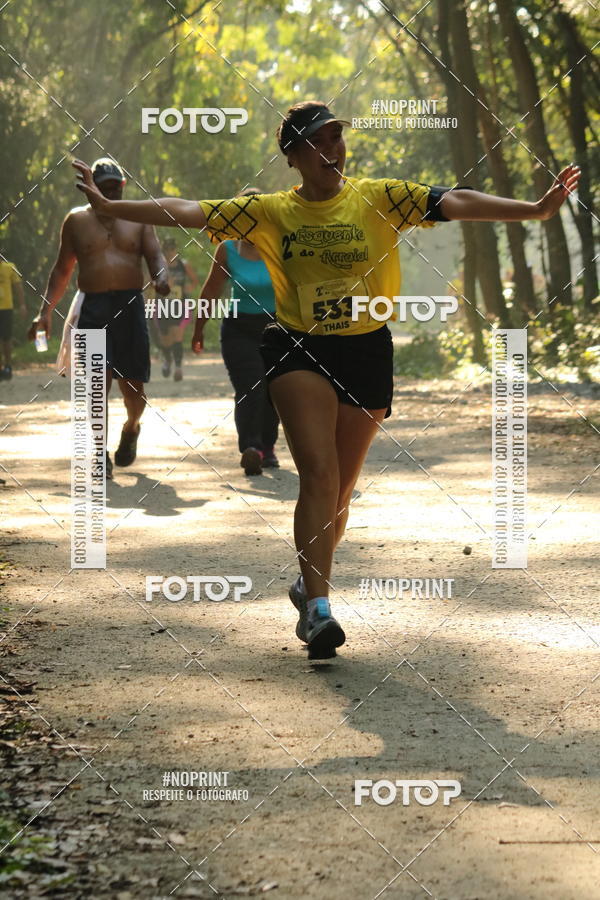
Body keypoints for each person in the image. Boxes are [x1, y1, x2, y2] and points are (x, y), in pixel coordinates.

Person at [72, 102, 580, 658]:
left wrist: (534, 209)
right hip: (297, 347)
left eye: (337, 138)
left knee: (339, 494)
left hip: (366, 349)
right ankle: (318, 610)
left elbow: (455, 200)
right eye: (318, 142)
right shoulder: (267, 212)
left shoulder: (381, 197)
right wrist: (110, 204)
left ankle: (305, 580)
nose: (332, 149)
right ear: (293, 157)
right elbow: (187, 209)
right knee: (318, 475)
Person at [28, 158, 170, 479]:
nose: (109, 195)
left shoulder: (139, 219)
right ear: (89, 190)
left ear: (123, 187)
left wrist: (161, 277)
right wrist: (45, 313)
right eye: (102, 189)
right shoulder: (77, 222)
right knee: (95, 386)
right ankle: (98, 453)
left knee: (132, 386)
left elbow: (155, 255)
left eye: (114, 189)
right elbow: (62, 270)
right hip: (93, 308)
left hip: (130, 307)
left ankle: (132, 426)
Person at [192, 188, 280, 476]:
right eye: (243, 215)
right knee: (250, 387)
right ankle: (251, 448)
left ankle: (268, 447)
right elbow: (211, 292)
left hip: (277, 329)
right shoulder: (228, 249)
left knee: (274, 392)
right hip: (238, 330)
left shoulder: (280, 245)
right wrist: (198, 330)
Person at [154, 236, 198, 381]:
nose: (170, 252)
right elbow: (150, 286)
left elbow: (194, 281)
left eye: (172, 249)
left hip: (180, 304)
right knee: (165, 339)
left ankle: (178, 368)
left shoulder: (184, 265)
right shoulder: (158, 266)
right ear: (163, 250)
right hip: (162, 306)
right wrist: (166, 286)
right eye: (167, 250)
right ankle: (168, 359)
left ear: (176, 249)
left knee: (177, 334)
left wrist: (189, 287)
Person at [0, 255, 26, 380]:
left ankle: (8, 366)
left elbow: (18, 287)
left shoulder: (10, 267)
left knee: (6, 339)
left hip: (6, 308)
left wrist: (22, 305)